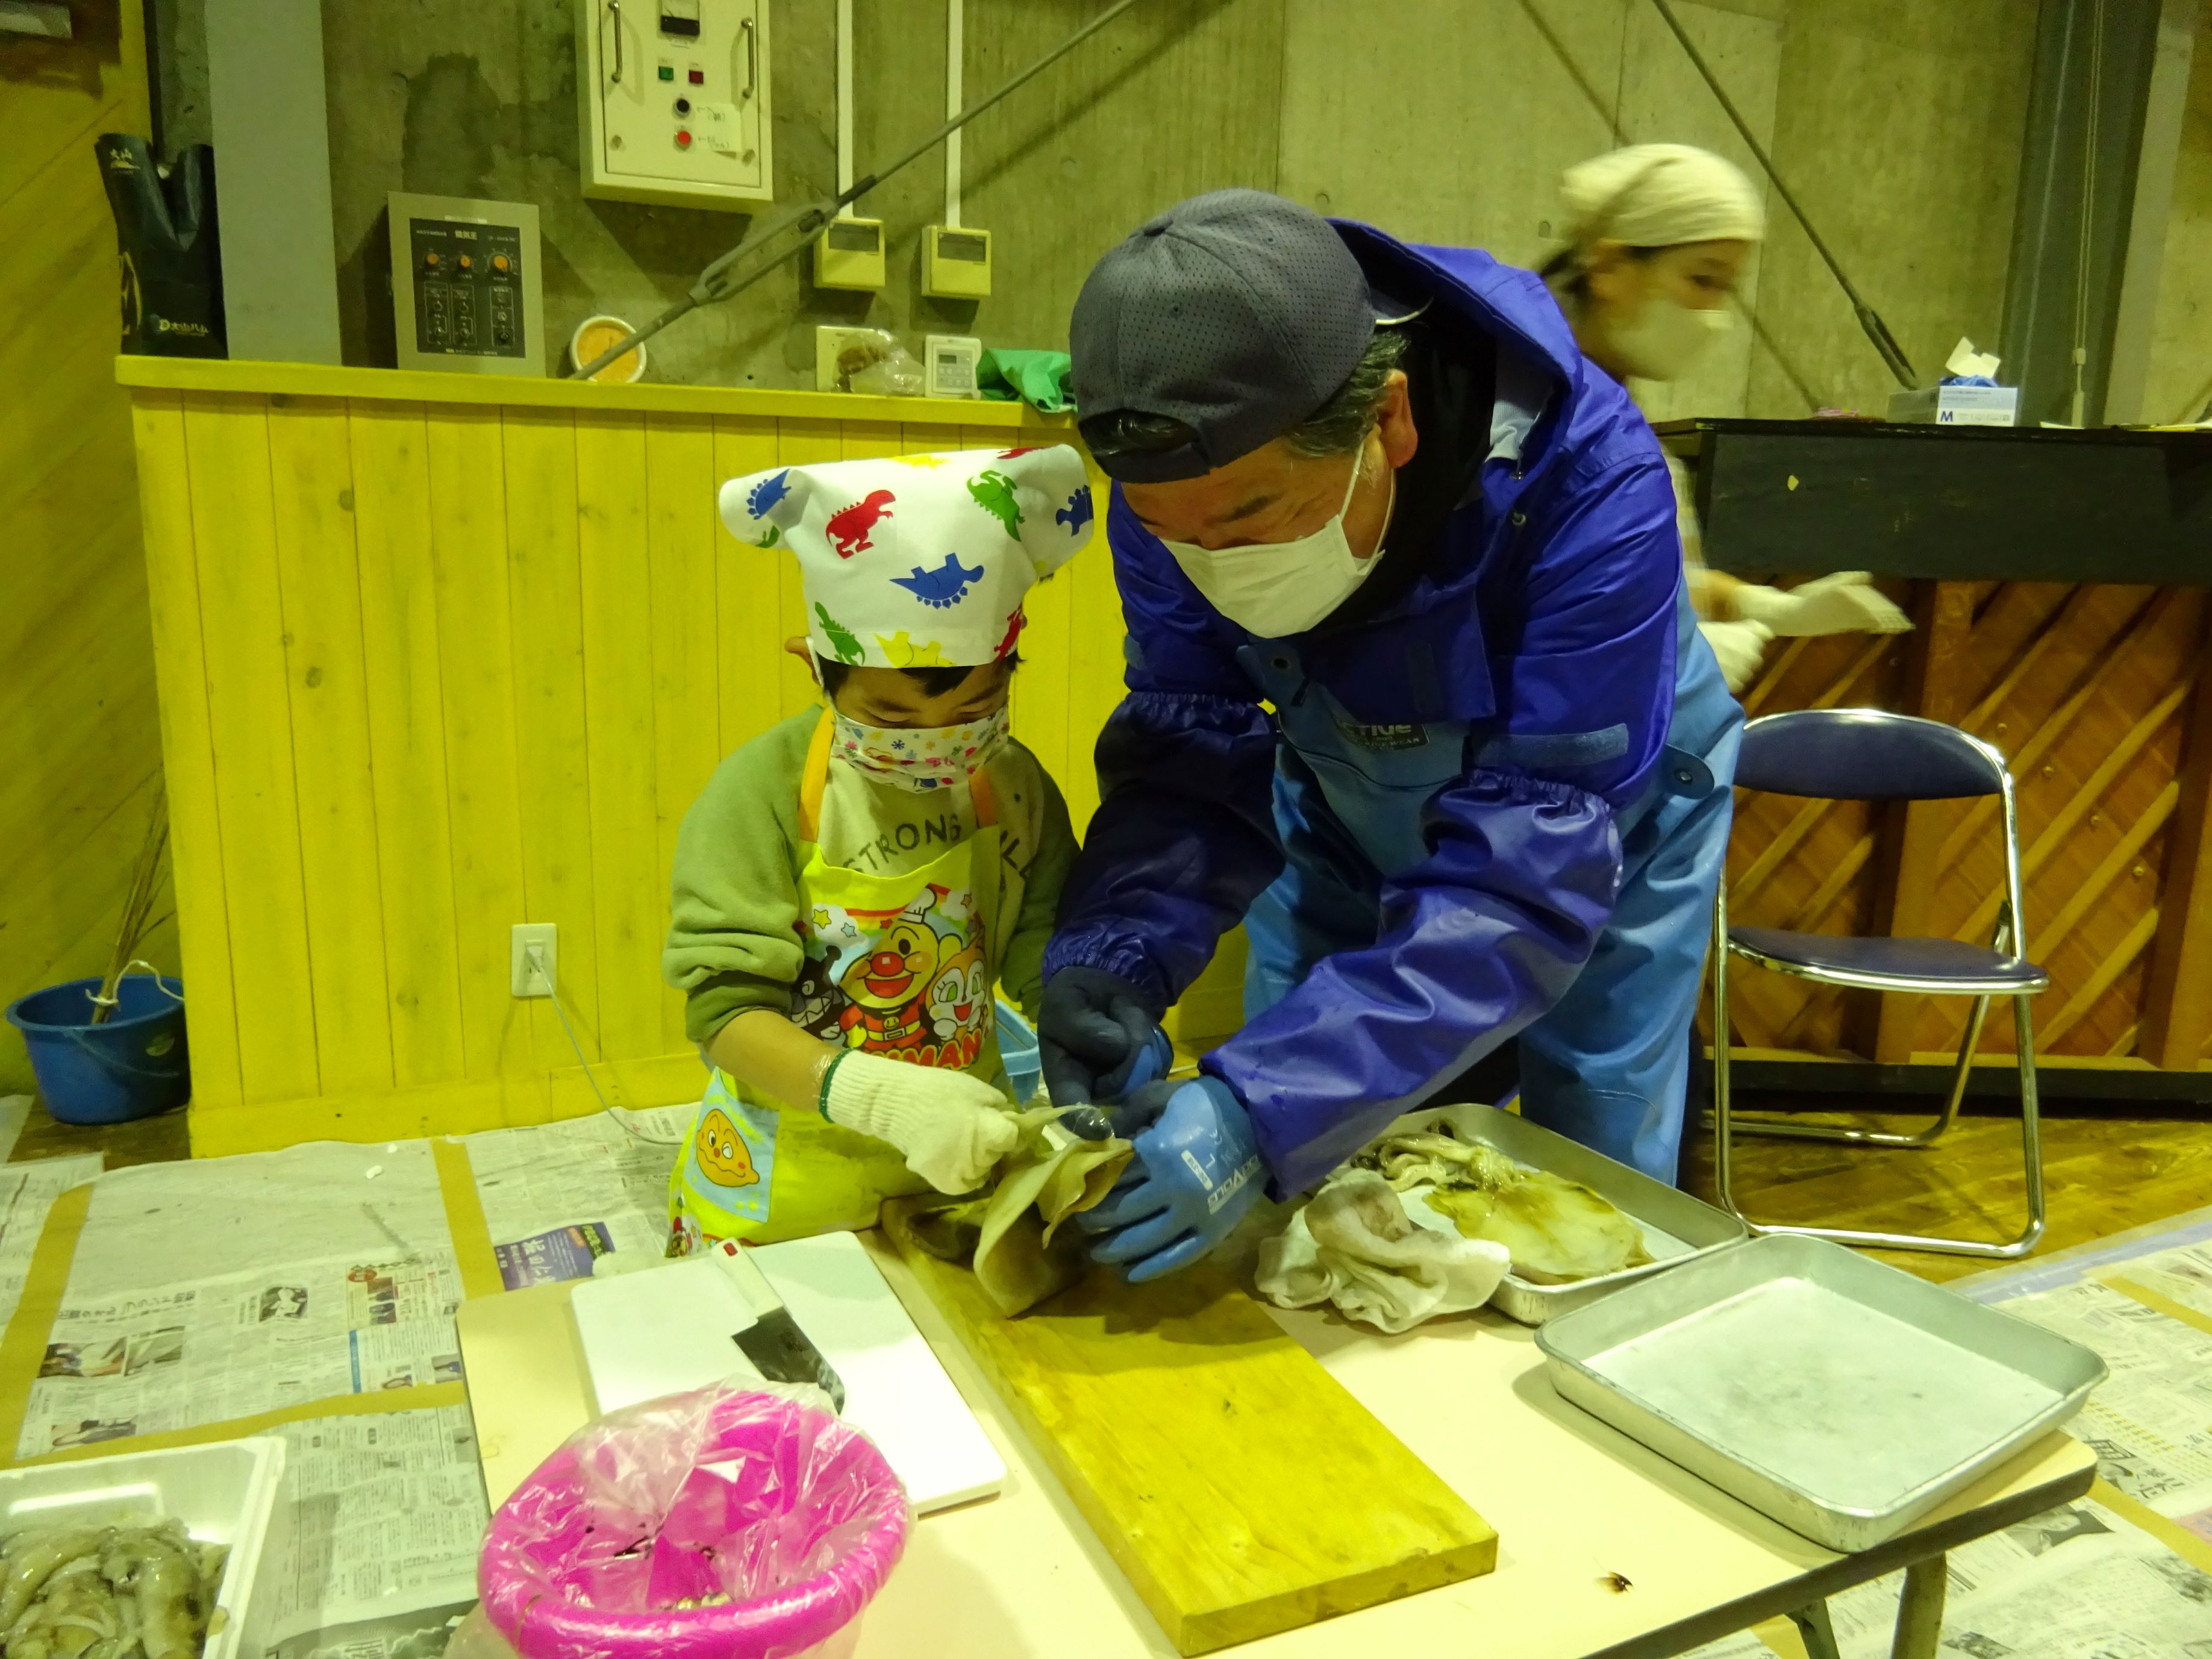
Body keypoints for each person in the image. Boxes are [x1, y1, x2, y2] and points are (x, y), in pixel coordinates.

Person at [1039, 188, 1744, 1283]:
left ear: (1391, 421)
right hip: (1341, 793)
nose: (1217, 566)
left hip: (1595, 825)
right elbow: (1192, 745)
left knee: (1588, 1171)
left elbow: (1525, 881)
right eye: (1176, 534)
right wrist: (1116, 955)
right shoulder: (1171, 493)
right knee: (1304, 1151)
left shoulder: (1592, 483)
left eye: (1253, 519)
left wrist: (1259, 1107)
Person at [661, 446, 1095, 1250]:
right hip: (794, 1170)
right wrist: (877, 1097)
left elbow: (1042, 945)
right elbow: (725, 1015)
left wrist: (1089, 1041)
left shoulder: (1015, 784)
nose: (937, 742)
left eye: (975, 708)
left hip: (960, 1158)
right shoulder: (761, 793)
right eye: (893, 718)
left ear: (1010, 667)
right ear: (817, 668)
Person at [1545, 143, 1909, 691]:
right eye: (1702, 279)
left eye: (1726, 290)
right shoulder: (1537, 425)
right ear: (1610, 267)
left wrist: (1764, 605)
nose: (1714, 315)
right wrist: (1660, 660)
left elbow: (1651, 578)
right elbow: (1519, 620)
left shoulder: (1615, 418)